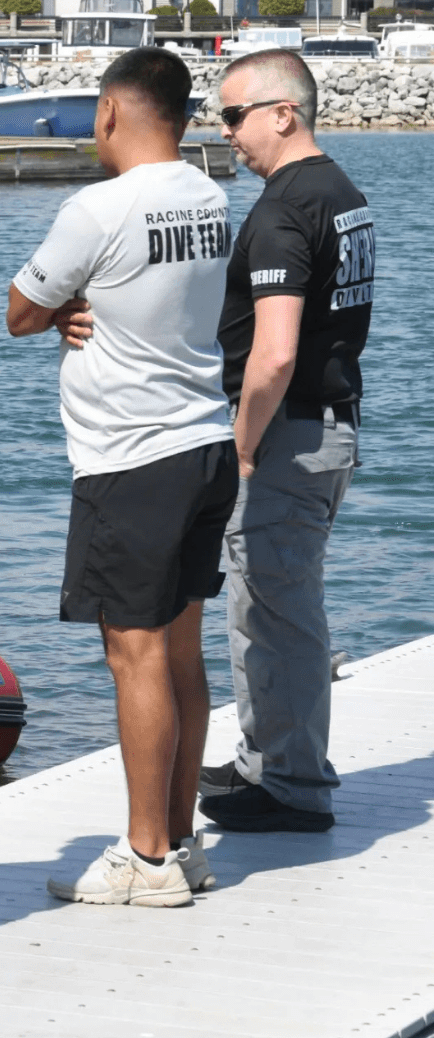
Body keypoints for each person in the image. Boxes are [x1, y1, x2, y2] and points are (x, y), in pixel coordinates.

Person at [6, 47, 236, 907]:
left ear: (109, 110)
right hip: (204, 442)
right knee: (181, 649)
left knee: (132, 655)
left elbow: (20, 314)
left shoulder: (97, 207)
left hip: (131, 458)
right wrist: (82, 302)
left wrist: (63, 307)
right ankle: (179, 841)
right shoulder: (210, 196)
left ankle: (144, 862)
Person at [198, 50, 371, 833]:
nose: (225, 132)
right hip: (329, 428)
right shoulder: (344, 196)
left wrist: (240, 442)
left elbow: (273, 352)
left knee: (274, 610)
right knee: (275, 601)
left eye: (234, 115)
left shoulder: (281, 211)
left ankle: (293, 786)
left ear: (283, 113)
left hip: (288, 435)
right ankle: (265, 756)